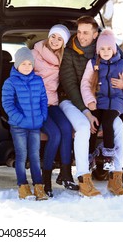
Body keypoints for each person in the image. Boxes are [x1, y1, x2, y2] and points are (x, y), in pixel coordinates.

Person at [58, 16, 123, 197]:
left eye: (86, 33)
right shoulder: (69, 53)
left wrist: (122, 85)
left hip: (101, 103)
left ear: (95, 34)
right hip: (71, 100)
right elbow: (71, 86)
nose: (81, 36)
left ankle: (115, 177)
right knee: (83, 127)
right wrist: (87, 112)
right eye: (79, 32)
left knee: (118, 127)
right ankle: (84, 178)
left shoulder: (104, 48)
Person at [81, 29, 123, 175]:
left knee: (107, 122)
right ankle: (90, 156)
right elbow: (85, 84)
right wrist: (90, 101)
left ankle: (108, 157)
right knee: (93, 124)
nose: (105, 51)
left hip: (116, 102)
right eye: (102, 49)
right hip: (99, 101)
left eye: (108, 49)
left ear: (113, 49)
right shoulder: (93, 63)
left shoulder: (122, 65)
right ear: (97, 50)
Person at [33, 24, 78, 197]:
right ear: (48, 36)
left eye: (60, 39)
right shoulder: (35, 53)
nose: (55, 41)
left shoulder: (63, 58)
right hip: (36, 104)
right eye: (53, 37)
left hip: (53, 103)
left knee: (67, 129)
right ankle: (46, 179)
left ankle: (65, 174)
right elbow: (19, 74)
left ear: (63, 43)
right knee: (55, 134)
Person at [2, 47, 49, 200]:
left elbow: (43, 99)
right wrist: (21, 120)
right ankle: (23, 186)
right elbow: (8, 104)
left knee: (35, 156)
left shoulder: (38, 80)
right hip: (19, 127)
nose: (27, 67)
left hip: (35, 125)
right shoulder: (10, 83)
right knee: (22, 156)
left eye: (30, 63)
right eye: (24, 64)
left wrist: (42, 116)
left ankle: (39, 187)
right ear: (17, 65)